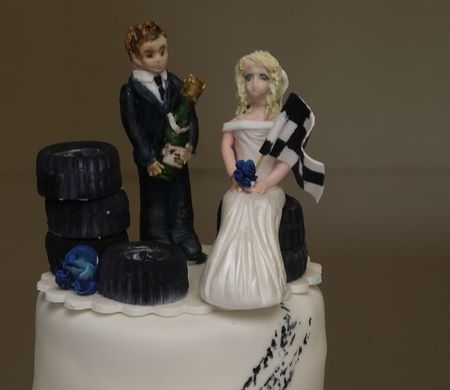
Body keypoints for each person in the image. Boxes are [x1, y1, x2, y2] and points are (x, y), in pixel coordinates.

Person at [199, 50, 325, 310]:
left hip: (267, 189)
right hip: (240, 187)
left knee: (261, 213)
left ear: (274, 82)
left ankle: (261, 285)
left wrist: (265, 184)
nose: (254, 82)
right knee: (233, 207)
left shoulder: (278, 126)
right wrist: (234, 173)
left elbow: (286, 161)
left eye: (262, 76)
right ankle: (226, 283)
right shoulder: (237, 122)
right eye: (248, 76)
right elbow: (226, 147)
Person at [120, 20, 205, 263]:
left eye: (163, 51)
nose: (159, 59)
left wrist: (190, 144)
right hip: (154, 160)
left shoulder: (177, 84)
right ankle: (157, 237)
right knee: (155, 200)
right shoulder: (131, 92)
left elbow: (191, 115)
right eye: (150, 54)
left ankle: (183, 232)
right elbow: (133, 128)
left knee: (181, 196)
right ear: (135, 57)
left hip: (177, 155)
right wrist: (147, 158)